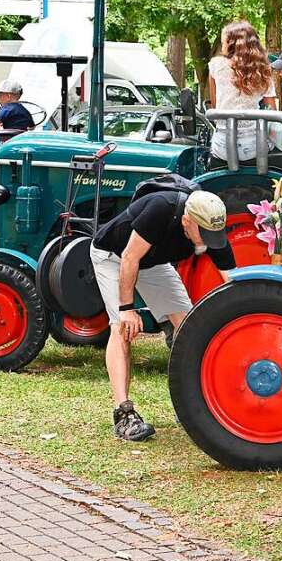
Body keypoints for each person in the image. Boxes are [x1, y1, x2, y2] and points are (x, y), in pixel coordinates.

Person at [90, 187, 236, 441]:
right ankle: (124, 415)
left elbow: (233, 282)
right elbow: (129, 258)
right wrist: (127, 309)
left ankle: (194, 405)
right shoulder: (161, 208)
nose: (206, 242)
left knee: (190, 328)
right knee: (121, 328)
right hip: (114, 256)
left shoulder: (208, 227)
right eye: (202, 234)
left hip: (153, 262)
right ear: (187, 220)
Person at [207, 22, 276, 167]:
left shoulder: (216, 65)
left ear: (231, 43)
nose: (222, 46)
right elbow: (272, 111)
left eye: (223, 42)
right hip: (255, 147)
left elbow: (215, 105)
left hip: (223, 146)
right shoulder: (263, 70)